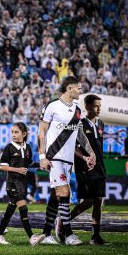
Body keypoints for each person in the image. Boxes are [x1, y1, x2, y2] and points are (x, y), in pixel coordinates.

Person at [38, 76, 95, 245]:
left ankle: (46, 234)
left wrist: (89, 153)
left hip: (68, 160)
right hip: (54, 156)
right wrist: (42, 157)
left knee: (56, 196)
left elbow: (80, 136)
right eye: (78, 88)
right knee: (65, 193)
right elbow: (41, 133)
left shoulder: (77, 110)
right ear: (69, 88)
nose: (80, 90)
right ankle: (68, 234)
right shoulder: (52, 106)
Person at [56, 94, 109, 245]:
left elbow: (99, 147)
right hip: (84, 168)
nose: (98, 108)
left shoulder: (101, 124)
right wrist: (85, 158)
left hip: (99, 167)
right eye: (95, 105)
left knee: (98, 200)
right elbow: (72, 146)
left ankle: (95, 236)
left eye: (100, 105)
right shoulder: (80, 123)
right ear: (87, 107)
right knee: (89, 200)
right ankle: (63, 221)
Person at [0, 122, 45, 245]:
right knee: (23, 207)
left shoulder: (27, 148)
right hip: (12, 184)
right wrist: (17, 170)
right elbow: (2, 167)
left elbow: (29, 163)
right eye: (12, 132)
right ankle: (32, 237)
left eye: (16, 132)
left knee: (10, 209)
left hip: (22, 184)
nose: (13, 135)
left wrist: (41, 165)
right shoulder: (8, 148)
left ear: (24, 134)